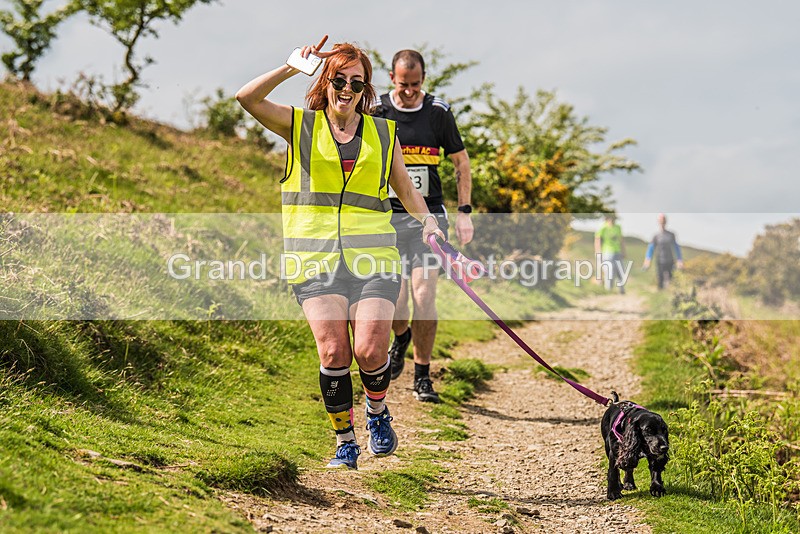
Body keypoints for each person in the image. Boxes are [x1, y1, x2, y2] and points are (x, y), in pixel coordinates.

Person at [236, 36, 445, 470]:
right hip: (314, 257)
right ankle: (345, 441)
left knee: (371, 351)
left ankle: (376, 411)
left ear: (366, 88)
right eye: (339, 79)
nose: (347, 88)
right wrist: (291, 67)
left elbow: (404, 188)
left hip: (374, 257)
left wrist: (428, 223)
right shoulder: (300, 125)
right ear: (325, 81)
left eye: (357, 81)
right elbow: (246, 98)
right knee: (334, 353)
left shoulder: (383, 133)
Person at [373, 50, 474, 403]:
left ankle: (423, 375)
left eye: (416, 85)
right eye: (404, 85)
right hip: (387, 217)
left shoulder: (438, 112)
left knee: (424, 294)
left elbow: (461, 163)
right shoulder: (377, 111)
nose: (410, 92)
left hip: (428, 219)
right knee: (397, 303)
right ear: (391, 78)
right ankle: (401, 338)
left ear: (424, 80)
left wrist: (464, 211)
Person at [642, 213, 683, 290]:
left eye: (663, 220)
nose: (662, 222)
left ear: (666, 221)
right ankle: (660, 297)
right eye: (660, 220)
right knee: (660, 281)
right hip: (660, 261)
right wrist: (647, 261)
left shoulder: (671, 235)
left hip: (670, 261)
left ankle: (670, 298)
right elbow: (650, 249)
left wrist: (679, 260)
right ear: (658, 222)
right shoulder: (656, 236)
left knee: (671, 280)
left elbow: (676, 247)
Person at [594, 213, 627, 294]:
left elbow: (621, 240)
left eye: (613, 218)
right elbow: (597, 240)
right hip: (607, 253)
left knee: (620, 271)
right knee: (610, 272)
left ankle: (621, 289)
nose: (612, 219)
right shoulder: (603, 228)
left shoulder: (618, 227)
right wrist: (598, 252)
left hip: (617, 252)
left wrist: (624, 251)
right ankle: (608, 290)